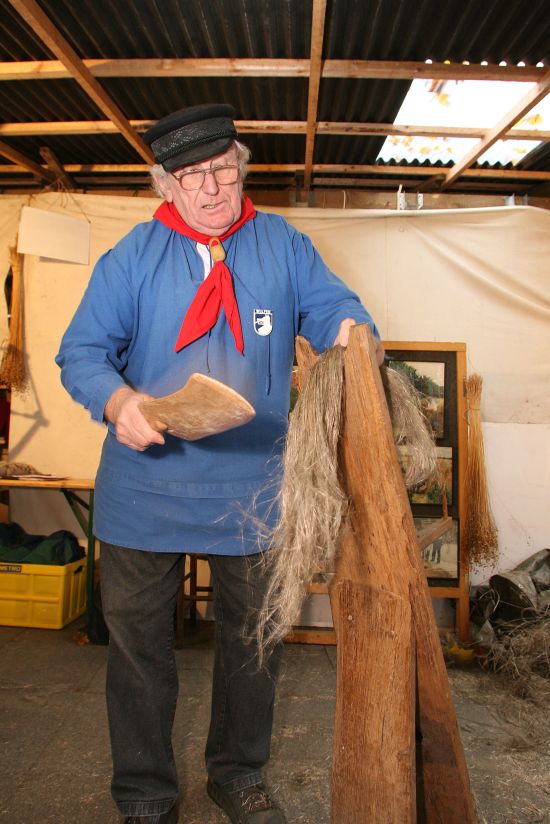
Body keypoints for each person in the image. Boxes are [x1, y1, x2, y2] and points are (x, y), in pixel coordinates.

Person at [56, 103, 384, 824]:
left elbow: (338, 310)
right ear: (164, 185)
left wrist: (351, 332)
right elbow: (81, 353)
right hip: (144, 489)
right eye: (190, 175)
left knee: (254, 644)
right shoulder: (132, 258)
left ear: (242, 167)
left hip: (255, 486)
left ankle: (237, 775)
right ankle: (145, 793)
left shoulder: (283, 245)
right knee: (139, 651)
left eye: (222, 169)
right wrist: (118, 402)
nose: (210, 188)